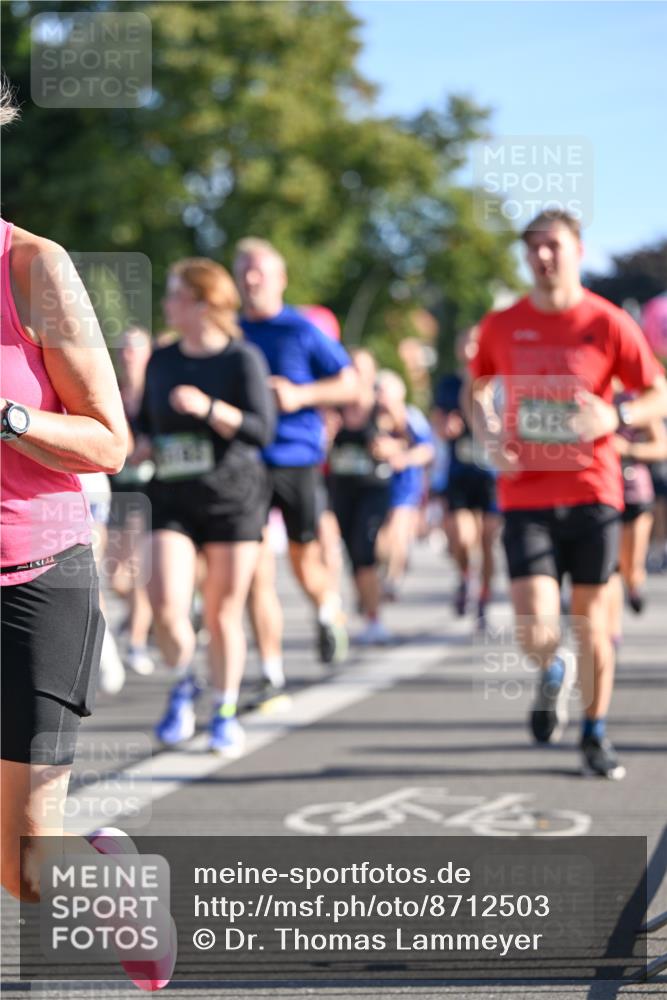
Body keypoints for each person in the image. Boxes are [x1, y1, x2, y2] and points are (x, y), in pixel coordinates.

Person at [468, 209, 667, 780]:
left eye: (552, 245)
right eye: (532, 248)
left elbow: (655, 392)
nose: (542, 256)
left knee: (594, 624)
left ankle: (595, 732)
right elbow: (475, 389)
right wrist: (486, 436)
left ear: (577, 249)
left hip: (593, 493)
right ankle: (552, 668)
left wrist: (614, 412)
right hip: (525, 494)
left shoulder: (606, 323)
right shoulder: (502, 324)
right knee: (535, 627)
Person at [133, 257, 275, 755]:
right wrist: (142, 442)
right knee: (167, 604)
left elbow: (262, 430)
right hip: (172, 494)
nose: (167, 303)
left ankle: (224, 710)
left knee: (222, 613)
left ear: (202, 303)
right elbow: (144, 420)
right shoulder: (162, 358)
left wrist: (210, 408)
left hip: (233, 498)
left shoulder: (241, 360)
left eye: (175, 295)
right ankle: (182, 682)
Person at [234, 238, 357, 687]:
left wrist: (301, 395)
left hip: (295, 458)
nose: (250, 281)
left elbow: (351, 384)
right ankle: (271, 672)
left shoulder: (301, 329)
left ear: (280, 280)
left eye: (259, 272)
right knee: (254, 568)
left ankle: (327, 608)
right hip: (245, 462)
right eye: (243, 271)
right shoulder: (230, 332)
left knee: (305, 561)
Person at [432, 327, 500, 623]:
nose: (470, 350)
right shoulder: (448, 383)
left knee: (487, 539)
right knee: (461, 535)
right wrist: (446, 428)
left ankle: (484, 593)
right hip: (460, 469)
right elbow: (437, 420)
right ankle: (464, 575)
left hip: (491, 472)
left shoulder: (498, 383)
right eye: (465, 345)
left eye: (475, 345)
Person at [328, 351, 395, 645]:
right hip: (341, 490)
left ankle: (374, 617)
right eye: (351, 369)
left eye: (362, 369)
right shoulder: (334, 409)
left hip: (374, 488)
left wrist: (389, 447)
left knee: (365, 547)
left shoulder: (382, 409)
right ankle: (366, 608)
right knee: (353, 555)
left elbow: (412, 443)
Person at [107, 326, 156, 677]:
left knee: (137, 569)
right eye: (124, 348)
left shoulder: (156, 390)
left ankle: (137, 641)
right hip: (117, 489)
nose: (128, 354)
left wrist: (147, 447)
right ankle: (147, 613)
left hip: (150, 490)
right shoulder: (113, 391)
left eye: (135, 348)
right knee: (116, 576)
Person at [606, 385, 667, 644]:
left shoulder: (637, 401)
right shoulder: (591, 399)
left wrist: (627, 450)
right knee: (611, 567)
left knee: (630, 566)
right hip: (603, 494)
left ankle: (634, 585)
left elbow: (661, 447)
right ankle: (612, 628)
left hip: (636, 492)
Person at [374, 370, 435, 599]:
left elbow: (427, 450)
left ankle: (392, 580)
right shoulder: (372, 418)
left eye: (385, 392)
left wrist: (403, 456)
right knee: (380, 537)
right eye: (378, 391)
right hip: (378, 483)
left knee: (397, 532)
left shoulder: (411, 417)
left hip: (405, 484)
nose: (381, 398)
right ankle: (383, 570)